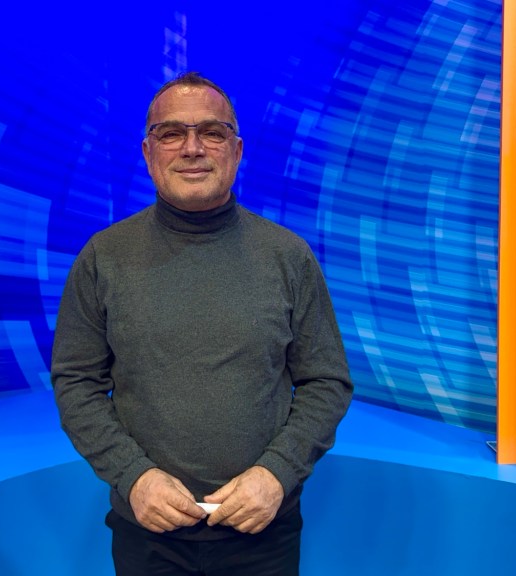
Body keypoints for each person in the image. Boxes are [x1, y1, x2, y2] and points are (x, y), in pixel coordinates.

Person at [52, 71, 353, 576]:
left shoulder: (288, 256)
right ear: (148, 152)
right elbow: (76, 383)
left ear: (237, 150)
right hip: (148, 535)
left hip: (264, 531)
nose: (192, 149)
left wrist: (276, 474)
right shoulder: (103, 258)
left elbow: (327, 381)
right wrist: (134, 477)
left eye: (211, 132)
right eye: (172, 133)